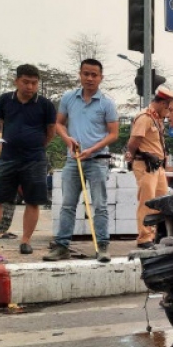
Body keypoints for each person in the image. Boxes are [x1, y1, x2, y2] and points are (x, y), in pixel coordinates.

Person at [45, 59, 118, 262]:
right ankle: (62, 246)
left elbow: (113, 134)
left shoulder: (107, 103)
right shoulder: (68, 98)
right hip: (73, 160)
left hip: (98, 160)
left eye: (94, 75)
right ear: (80, 74)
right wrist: (67, 139)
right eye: (86, 73)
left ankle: (102, 246)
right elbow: (59, 124)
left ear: (101, 78)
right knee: (68, 204)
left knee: (100, 205)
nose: (90, 78)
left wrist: (92, 149)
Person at [0, 64, 56, 256]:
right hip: (8, 157)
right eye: (26, 82)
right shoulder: (4, 100)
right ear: (16, 81)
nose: (30, 87)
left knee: (33, 201)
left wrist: (36, 145)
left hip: (34, 159)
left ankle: (26, 241)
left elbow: (51, 132)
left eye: (34, 83)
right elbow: (1, 124)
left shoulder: (46, 105)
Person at [125, 86, 173, 249]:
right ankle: (144, 238)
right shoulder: (145, 117)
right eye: (168, 108)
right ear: (163, 103)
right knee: (147, 201)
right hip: (146, 165)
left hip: (157, 166)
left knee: (160, 201)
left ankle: (155, 235)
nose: (168, 112)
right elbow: (133, 142)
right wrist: (135, 155)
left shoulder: (156, 118)